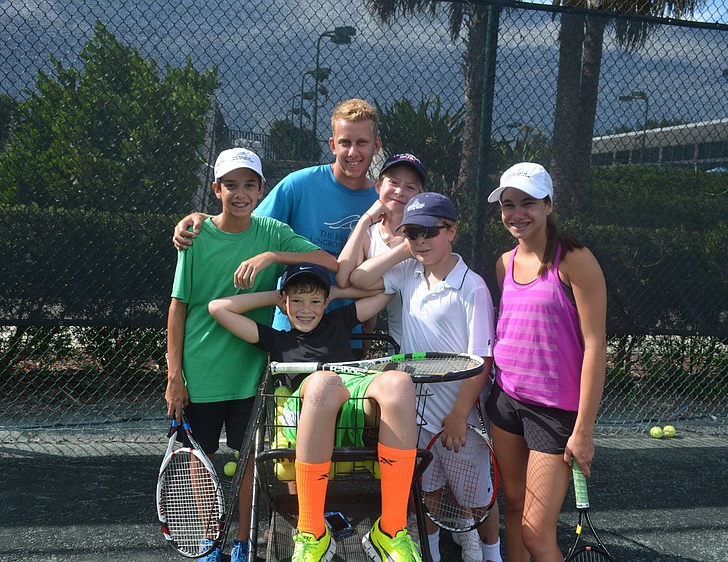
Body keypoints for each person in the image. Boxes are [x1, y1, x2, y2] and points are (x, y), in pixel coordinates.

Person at [165, 148, 337, 562]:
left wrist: (273, 256)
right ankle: (209, 541)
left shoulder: (273, 232)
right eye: (230, 185)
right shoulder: (195, 236)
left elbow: (326, 261)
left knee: (247, 463)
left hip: (250, 374)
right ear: (216, 190)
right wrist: (175, 375)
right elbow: (178, 308)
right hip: (199, 373)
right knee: (199, 466)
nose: (239, 194)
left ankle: (243, 541)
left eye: (248, 185)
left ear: (261, 189)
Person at [208, 263, 422, 562]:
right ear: (285, 302)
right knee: (323, 383)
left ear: (326, 302)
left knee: (399, 384)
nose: (305, 309)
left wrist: (335, 294)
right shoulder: (277, 339)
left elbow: (386, 291)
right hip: (309, 403)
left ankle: (390, 530)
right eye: (297, 300)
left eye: (314, 301)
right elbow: (218, 308)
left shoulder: (339, 320)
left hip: (351, 406)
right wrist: (278, 296)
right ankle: (312, 532)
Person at [349, 192, 503, 562]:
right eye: (412, 233)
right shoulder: (407, 273)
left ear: (451, 231)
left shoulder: (473, 287)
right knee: (427, 493)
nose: (420, 240)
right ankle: (431, 553)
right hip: (416, 415)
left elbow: (481, 359)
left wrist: (458, 415)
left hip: (460, 417)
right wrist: (403, 250)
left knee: (478, 499)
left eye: (428, 232)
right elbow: (357, 276)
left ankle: (494, 555)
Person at [173, 99, 382, 339]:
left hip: (349, 332)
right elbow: (248, 223)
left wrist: (367, 329)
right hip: (291, 333)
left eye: (362, 143)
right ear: (333, 145)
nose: (353, 152)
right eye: (345, 142)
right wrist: (205, 219)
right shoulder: (297, 185)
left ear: (376, 145)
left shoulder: (382, 202)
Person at [484, 162, 607, 562]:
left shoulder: (576, 260)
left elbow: (594, 345)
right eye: (508, 205)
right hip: (505, 402)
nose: (516, 214)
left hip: (553, 415)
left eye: (528, 203)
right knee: (514, 507)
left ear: (549, 205)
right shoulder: (504, 263)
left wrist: (583, 430)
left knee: (537, 535)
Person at [335, 153, 426, 351]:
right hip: (398, 347)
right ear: (378, 186)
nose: (400, 191)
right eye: (393, 182)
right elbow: (343, 277)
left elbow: (368, 284)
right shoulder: (368, 234)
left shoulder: (425, 238)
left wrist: (343, 292)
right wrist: (364, 220)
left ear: (419, 196)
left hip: (430, 343)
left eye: (410, 187)